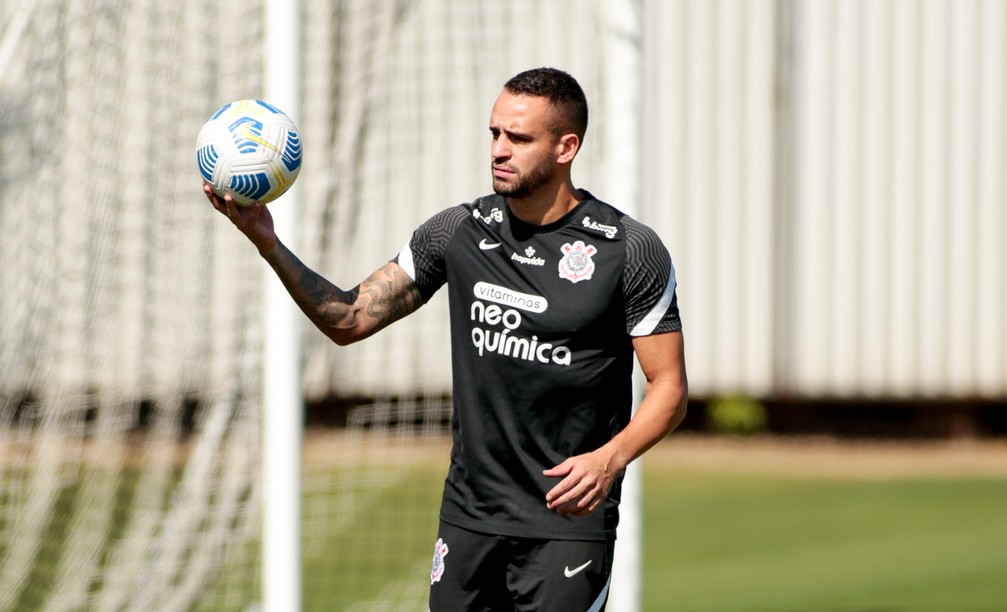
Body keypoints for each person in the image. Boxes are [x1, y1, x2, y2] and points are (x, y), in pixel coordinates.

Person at [204, 66, 687, 612]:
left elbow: (668, 386)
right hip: (469, 517)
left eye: (519, 138)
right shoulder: (458, 231)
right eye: (494, 133)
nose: (500, 150)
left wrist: (610, 458)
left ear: (565, 147)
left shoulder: (630, 250)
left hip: (566, 525)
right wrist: (268, 243)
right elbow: (349, 318)